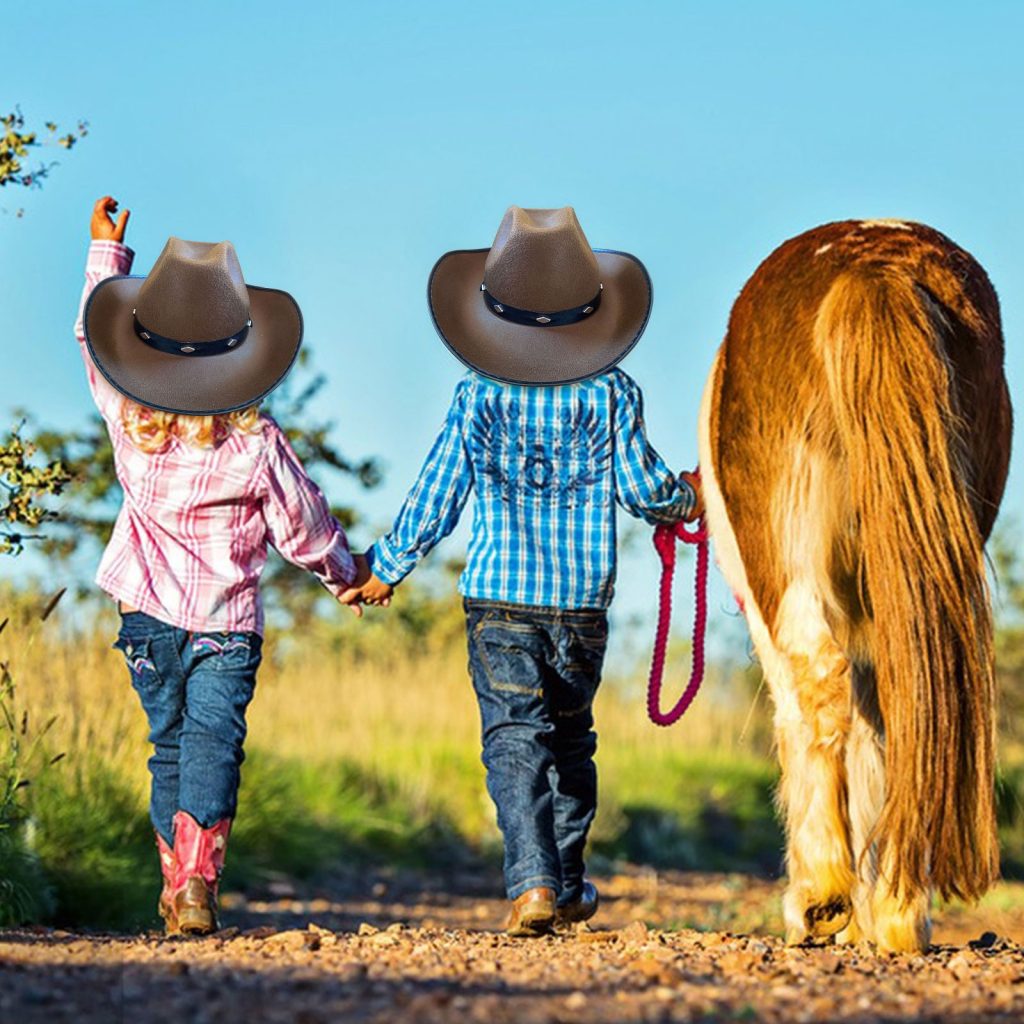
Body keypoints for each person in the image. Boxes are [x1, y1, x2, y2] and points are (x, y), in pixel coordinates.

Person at [342, 206, 703, 936]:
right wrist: (690, 497)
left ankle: (534, 885)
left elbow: (439, 490)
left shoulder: (478, 392)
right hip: (580, 608)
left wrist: (389, 565)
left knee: (514, 738)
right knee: (571, 743)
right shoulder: (610, 392)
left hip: (499, 603)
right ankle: (566, 884)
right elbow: (643, 491)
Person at [75, 196, 369, 935]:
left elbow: (90, 338)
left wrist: (105, 257)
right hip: (225, 628)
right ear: (242, 353)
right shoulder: (257, 443)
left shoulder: (127, 419)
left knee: (168, 745)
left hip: (144, 618)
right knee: (212, 744)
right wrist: (348, 575)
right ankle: (197, 882)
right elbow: (303, 529)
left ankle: (176, 887)